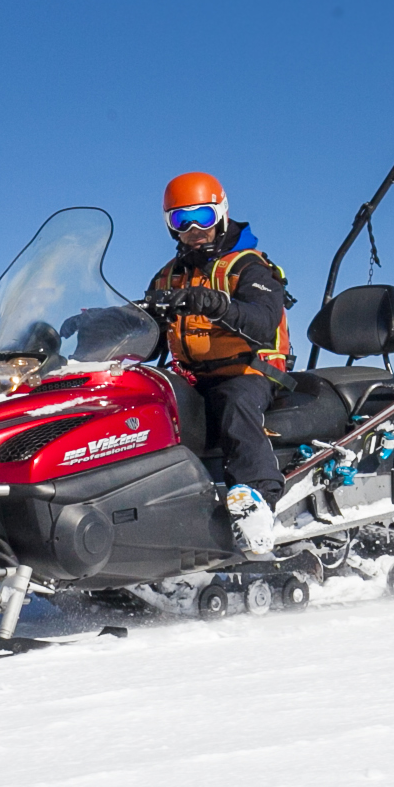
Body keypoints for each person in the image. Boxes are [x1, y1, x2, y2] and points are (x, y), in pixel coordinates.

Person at [145, 171, 293, 552]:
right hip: (194, 377)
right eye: (181, 220)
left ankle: (259, 499)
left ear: (222, 215)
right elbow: (148, 332)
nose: (194, 229)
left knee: (234, 404)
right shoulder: (168, 277)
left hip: (249, 371)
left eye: (203, 218)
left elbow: (262, 322)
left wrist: (217, 304)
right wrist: (103, 324)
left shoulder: (249, 267)